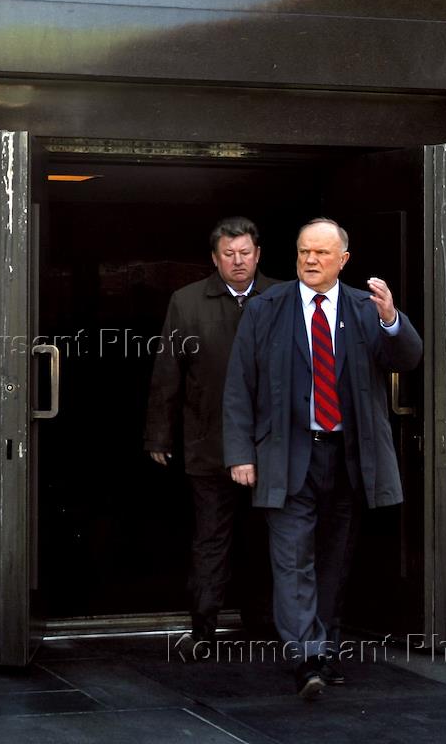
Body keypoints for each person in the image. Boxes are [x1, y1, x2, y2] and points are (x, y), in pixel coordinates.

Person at [223, 218, 422, 699]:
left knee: (334, 561)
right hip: (286, 456)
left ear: (343, 260)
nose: (310, 260)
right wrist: (240, 454)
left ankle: (326, 652)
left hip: (347, 457)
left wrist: (392, 319)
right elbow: (239, 386)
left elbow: (407, 359)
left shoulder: (365, 308)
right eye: (303, 252)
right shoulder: (267, 307)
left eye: (321, 253)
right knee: (293, 560)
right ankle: (307, 657)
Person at [145, 216, 278, 646]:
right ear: (214, 259)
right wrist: (159, 434)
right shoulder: (187, 302)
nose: (238, 262)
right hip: (209, 442)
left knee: (267, 538)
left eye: (245, 253)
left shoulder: (283, 297)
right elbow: (168, 372)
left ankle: (265, 625)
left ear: (258, 255)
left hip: (270, 445)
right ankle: (203, 628)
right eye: (229, 254)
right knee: (210, 540)